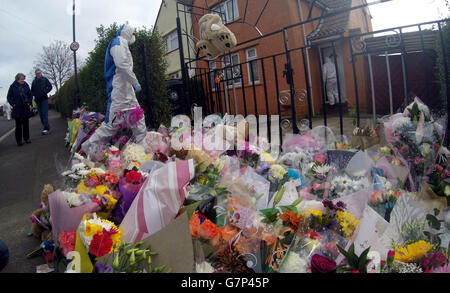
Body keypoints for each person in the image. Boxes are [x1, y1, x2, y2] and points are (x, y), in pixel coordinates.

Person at [81, 23, 147, 154]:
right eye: (133, 33)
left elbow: (123, 66)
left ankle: (143, 149)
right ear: (127, 32)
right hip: (118, 91)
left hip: (126, 91)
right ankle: (87, 146)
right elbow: (121, 64)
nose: (134, 36)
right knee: (111, 125)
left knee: (138, 120)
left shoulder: (122, 44)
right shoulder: (117, 42)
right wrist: (135, 82)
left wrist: (132, 85)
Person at [7, 73, 33, 146]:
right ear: (17, 79)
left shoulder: (26, 85)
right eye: (21, 79)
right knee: (18, 125)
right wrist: (13, 104)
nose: (23, 80)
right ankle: (19, 140)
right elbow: (9, 97)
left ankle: (27, 138)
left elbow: (30, 95)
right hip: (17, 108)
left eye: (23, 79)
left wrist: (30, 103)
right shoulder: (12, 87)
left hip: (25, 107)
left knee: (26, 124)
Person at [31, 69, 52, 135]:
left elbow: (50, 87)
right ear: (35, 74)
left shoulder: (44, 79)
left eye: (39, 73)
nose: (38, 74)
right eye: (37, 73)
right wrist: (34, 94)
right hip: (37, 100)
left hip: (44, 99)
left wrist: (45, 92)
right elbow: (32, 91)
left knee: (44, 114)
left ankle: (46, 128)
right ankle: (46, 127)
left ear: (41, 73)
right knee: (41, 115)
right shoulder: (34, 82)